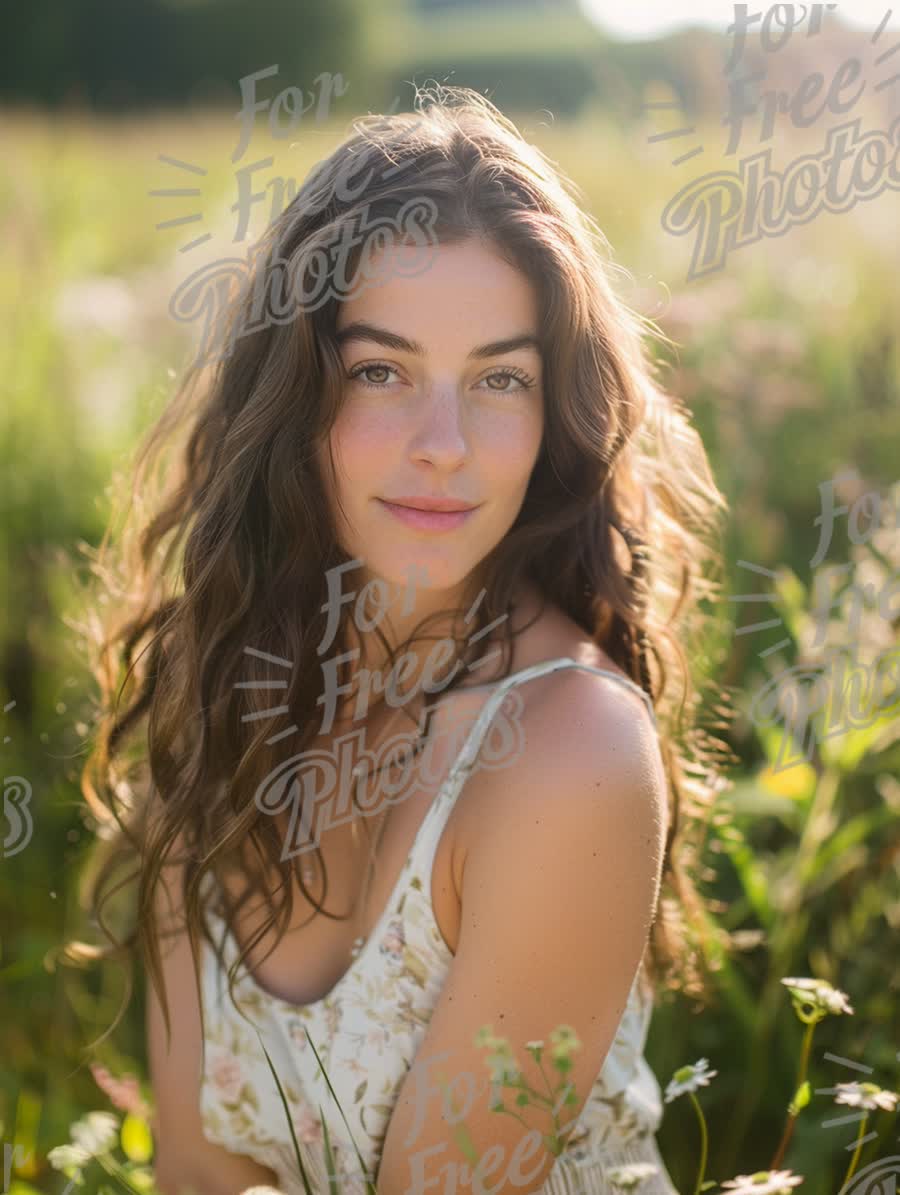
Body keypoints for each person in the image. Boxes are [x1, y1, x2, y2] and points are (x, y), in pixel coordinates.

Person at [72, 84, 732, 1195]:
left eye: (500, 380)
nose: (445, 445)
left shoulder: (570, 751)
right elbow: (193, 1165)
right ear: (294, 398)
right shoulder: (220, 682)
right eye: (381, 370)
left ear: (552, 415)